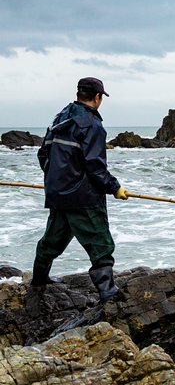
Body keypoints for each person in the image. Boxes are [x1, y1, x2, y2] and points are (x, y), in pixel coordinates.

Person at [32, 77, 130, 301]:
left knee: (52, 239)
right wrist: (115, 188)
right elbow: (95, 167)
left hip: (57, 193)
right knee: (100, 243)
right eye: (100, 97)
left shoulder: (61, 118)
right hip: (83, 198)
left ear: (78, 94)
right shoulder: (93, 125)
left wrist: (56, 180)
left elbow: (43, 154)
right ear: (97, 97)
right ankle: (108, 292)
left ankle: (38, 280)